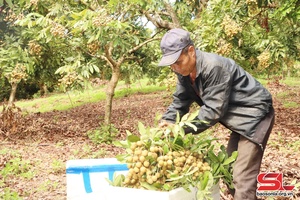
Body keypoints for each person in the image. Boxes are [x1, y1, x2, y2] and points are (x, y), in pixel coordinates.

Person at [158, 28, 275, 200]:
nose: (175, 68)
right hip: (239, 120)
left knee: (242, 178)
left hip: (256, 116)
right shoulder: (184, 74)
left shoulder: (214, 67)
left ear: (191, 51)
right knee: (229, 172)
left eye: (178, 62)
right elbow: (179, 102)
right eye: (171, 65)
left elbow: (213, 111)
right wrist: (166, 124)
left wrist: (179, 128)